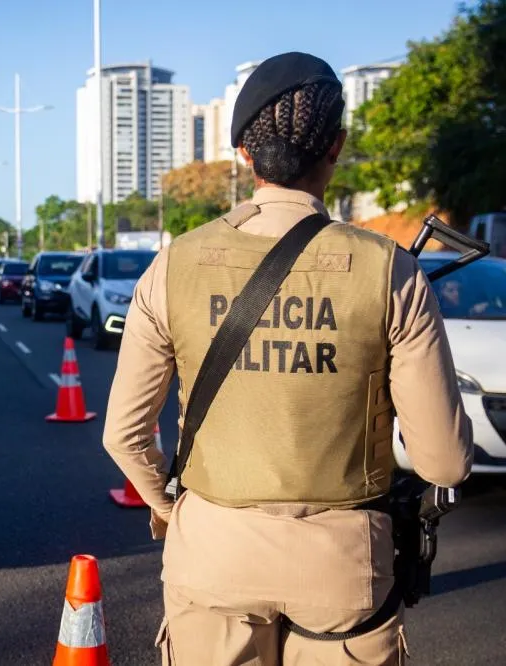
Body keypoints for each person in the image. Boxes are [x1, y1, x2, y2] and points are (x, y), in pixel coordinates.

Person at [102, 51, 473, 666]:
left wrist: (176, 510)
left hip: (211, 556)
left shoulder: (173, 266)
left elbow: (123, 434)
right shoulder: (391, 272)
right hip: (344, 568)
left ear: (244, 153)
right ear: (337, 146)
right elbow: (446, 460)